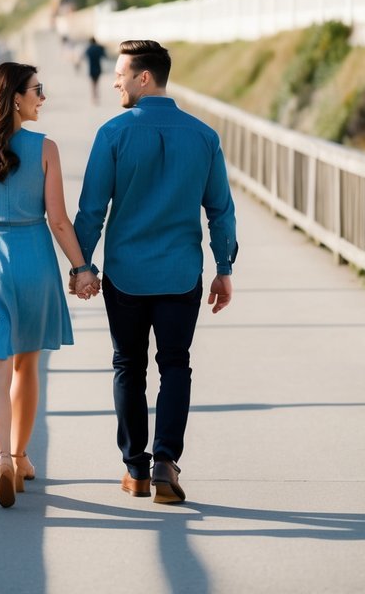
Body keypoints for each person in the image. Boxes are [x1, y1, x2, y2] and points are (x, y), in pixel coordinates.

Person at [71, 38, 237, 505]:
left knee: (128, 365)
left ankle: (135, 470)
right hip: (182, 272)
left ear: (145, 77)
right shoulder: (204, 136)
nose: (115, 80)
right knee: (176, 364)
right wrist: (224, 267)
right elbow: (221, 211)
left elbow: (91, 210)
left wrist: (82, 265)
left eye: (121, 73)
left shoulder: (113, 133)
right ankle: (165, 462)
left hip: (125, 274)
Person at [0, 62, 100, 509]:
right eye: (37, 89)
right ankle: (20, 454)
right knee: (26, 367)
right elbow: (58, 219)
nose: (42, 97)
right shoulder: (45, 148)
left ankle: (1, 459)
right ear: (15, 97)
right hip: (32, 258)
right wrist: (82, 268)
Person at [83, 36, 107, 102]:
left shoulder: (89, 49)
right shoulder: (98, 48)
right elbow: (104, 55)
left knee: (93, 84)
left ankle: (93, 97)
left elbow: (84, 55)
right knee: (97, 83)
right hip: (98, 68)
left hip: (91, 68)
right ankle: (96, 96)